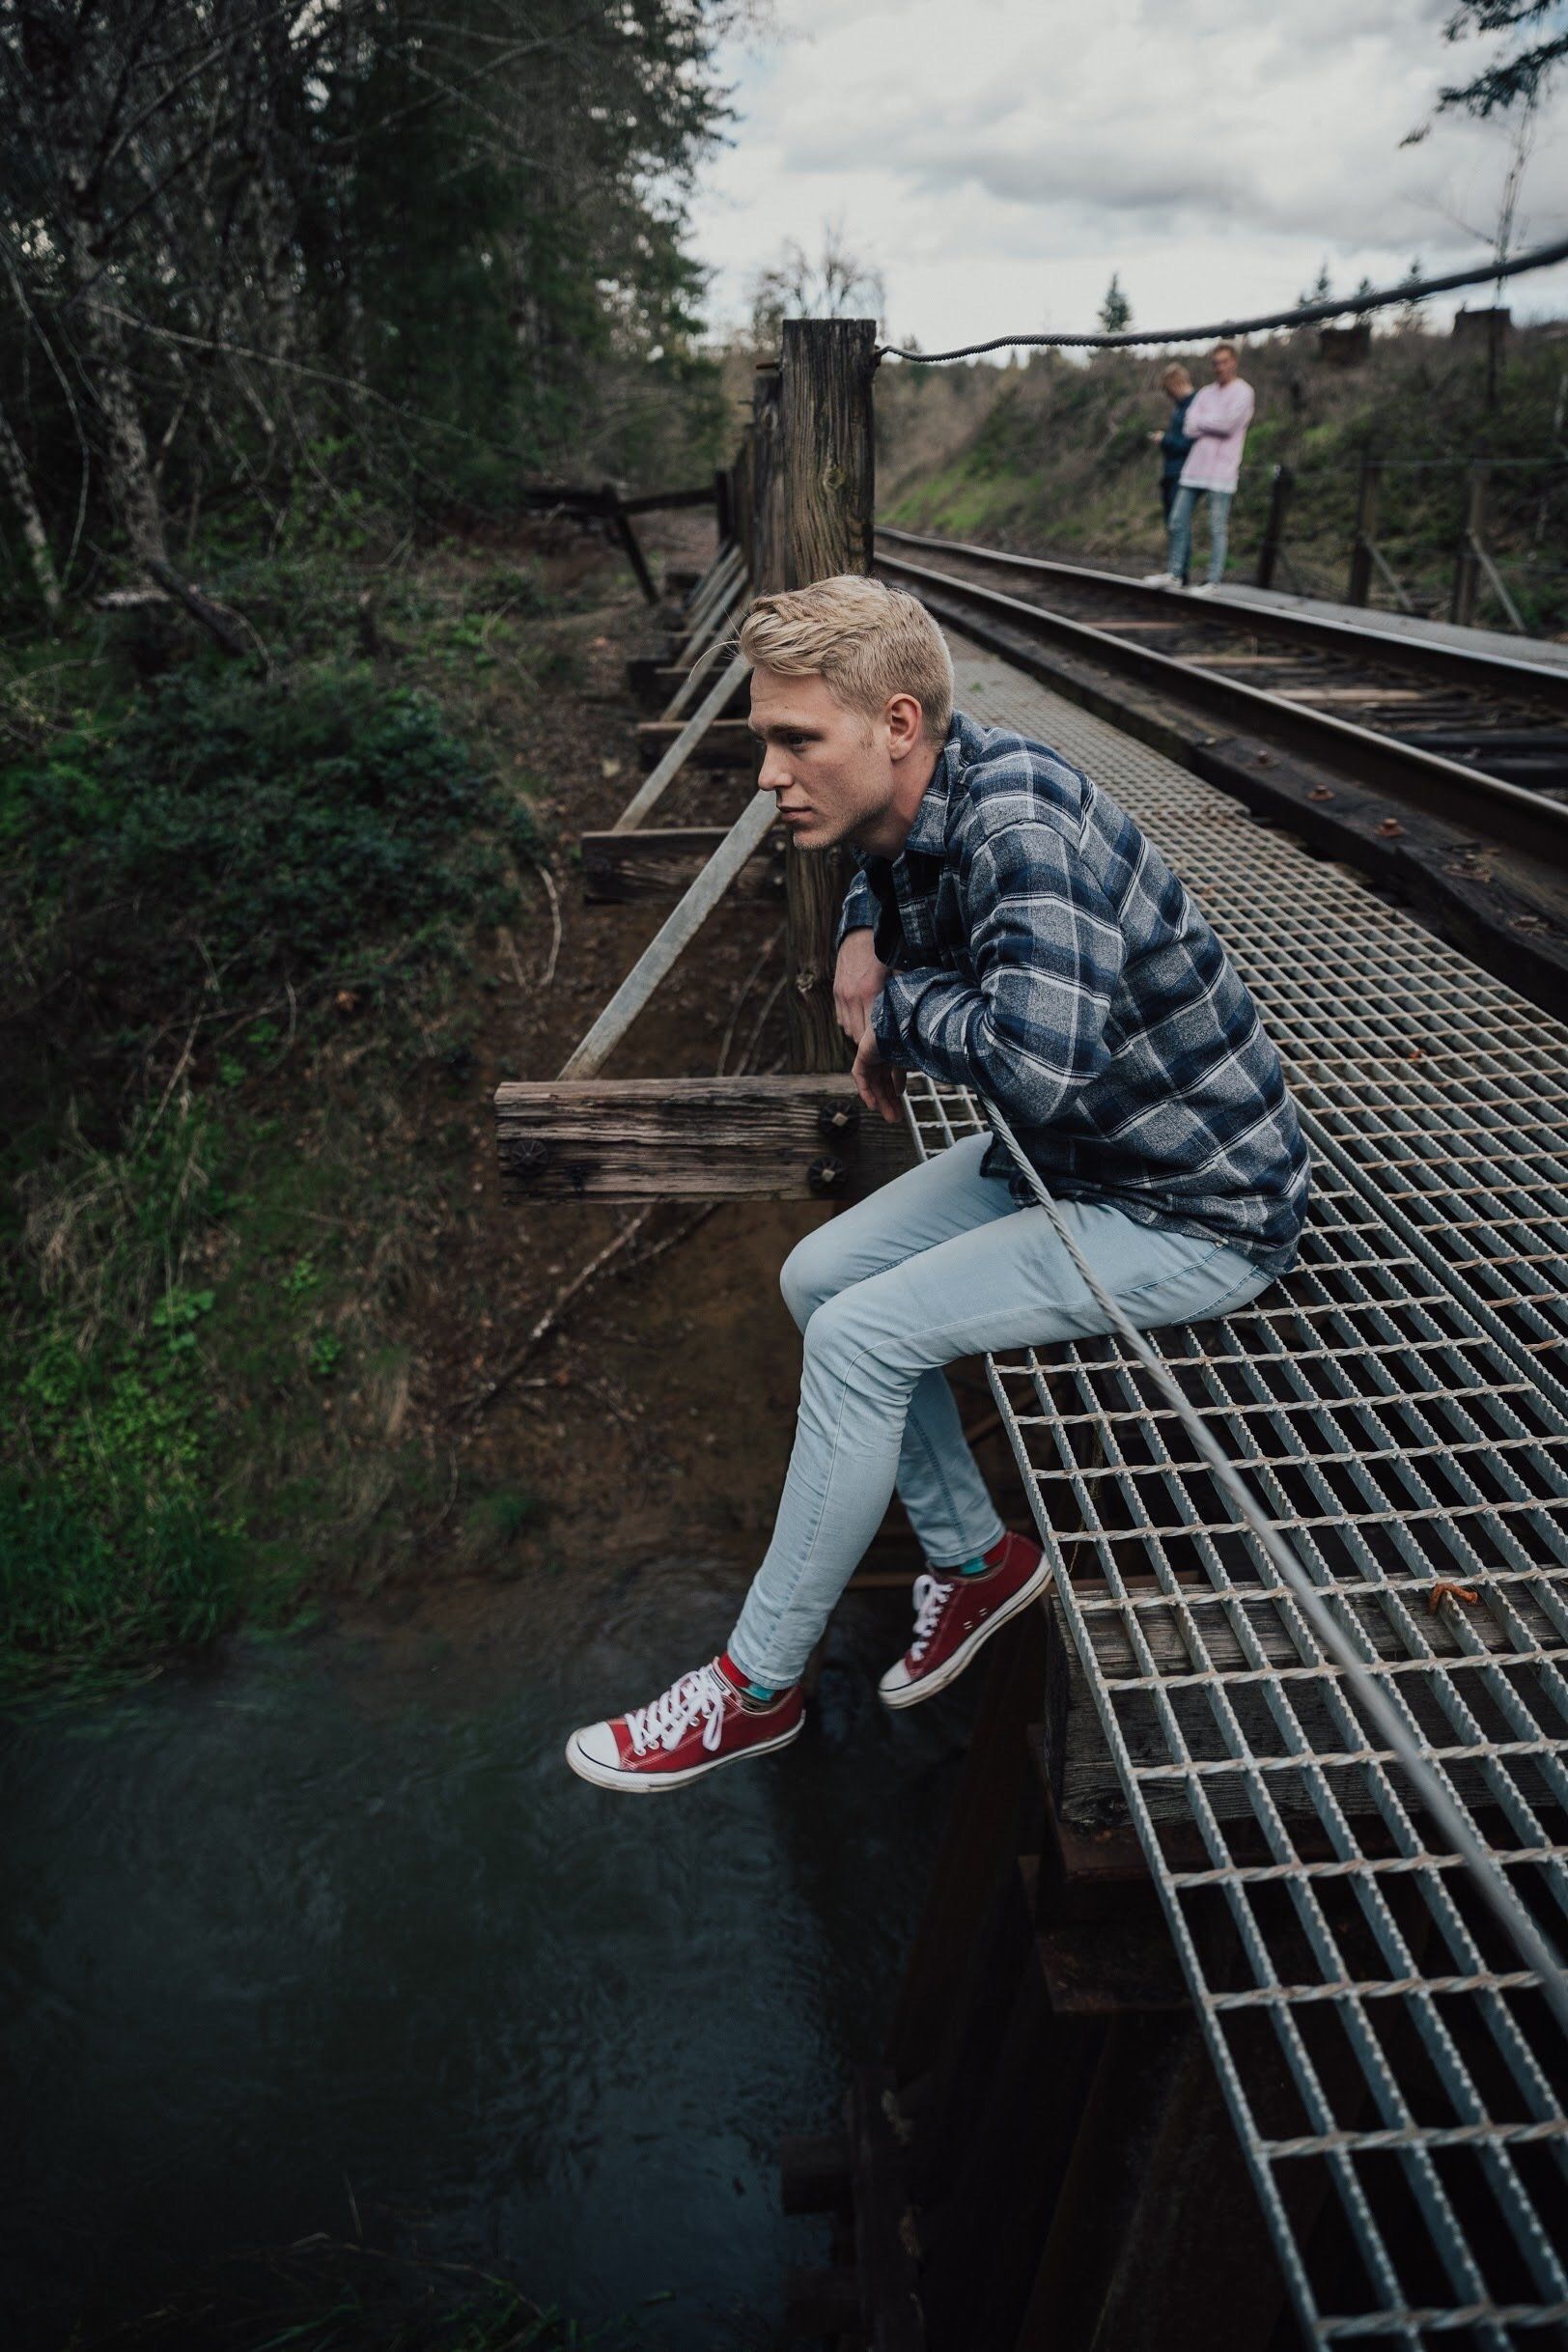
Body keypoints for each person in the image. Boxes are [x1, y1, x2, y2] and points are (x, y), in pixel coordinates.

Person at [565, 575, 1309, 1793]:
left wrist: (898, 1004)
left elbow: (1036, 1066)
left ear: (897, 725)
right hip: (1070, 1163)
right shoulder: (933, 786)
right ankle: (976, 1565)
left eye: (795, 740)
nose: (768, 775)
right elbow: (892, 861)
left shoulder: (1019, 829)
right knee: (818, 1279)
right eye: (766, 740)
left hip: (1193, 1203)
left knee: (862, 1341)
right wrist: (861, 922)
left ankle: (753, 1691)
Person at [1144, 342, 1254, 595]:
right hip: (1195, 467)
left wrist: (1206, 423)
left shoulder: (1243, 392)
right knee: (1177, 520)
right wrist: (1211, 422)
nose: (1220, 367)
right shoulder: (1205, 393)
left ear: (1234, 362)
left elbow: (1228, 425)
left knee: (1217, 526)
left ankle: (1213, 581)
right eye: (1216, 363)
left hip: (1222, 470)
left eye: (1224, 362)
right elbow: (1189, 426)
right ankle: (1174, 573)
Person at [1150, 362, 1195, 575]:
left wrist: (1164, 440)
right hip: (1172, 471)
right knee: (1173, 522)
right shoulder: (1180, 407)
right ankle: (1177, 572)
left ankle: (1180, 573)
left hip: (1182, 472)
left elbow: (1187, 444)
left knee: (1179, 523)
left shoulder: (1192, 406)